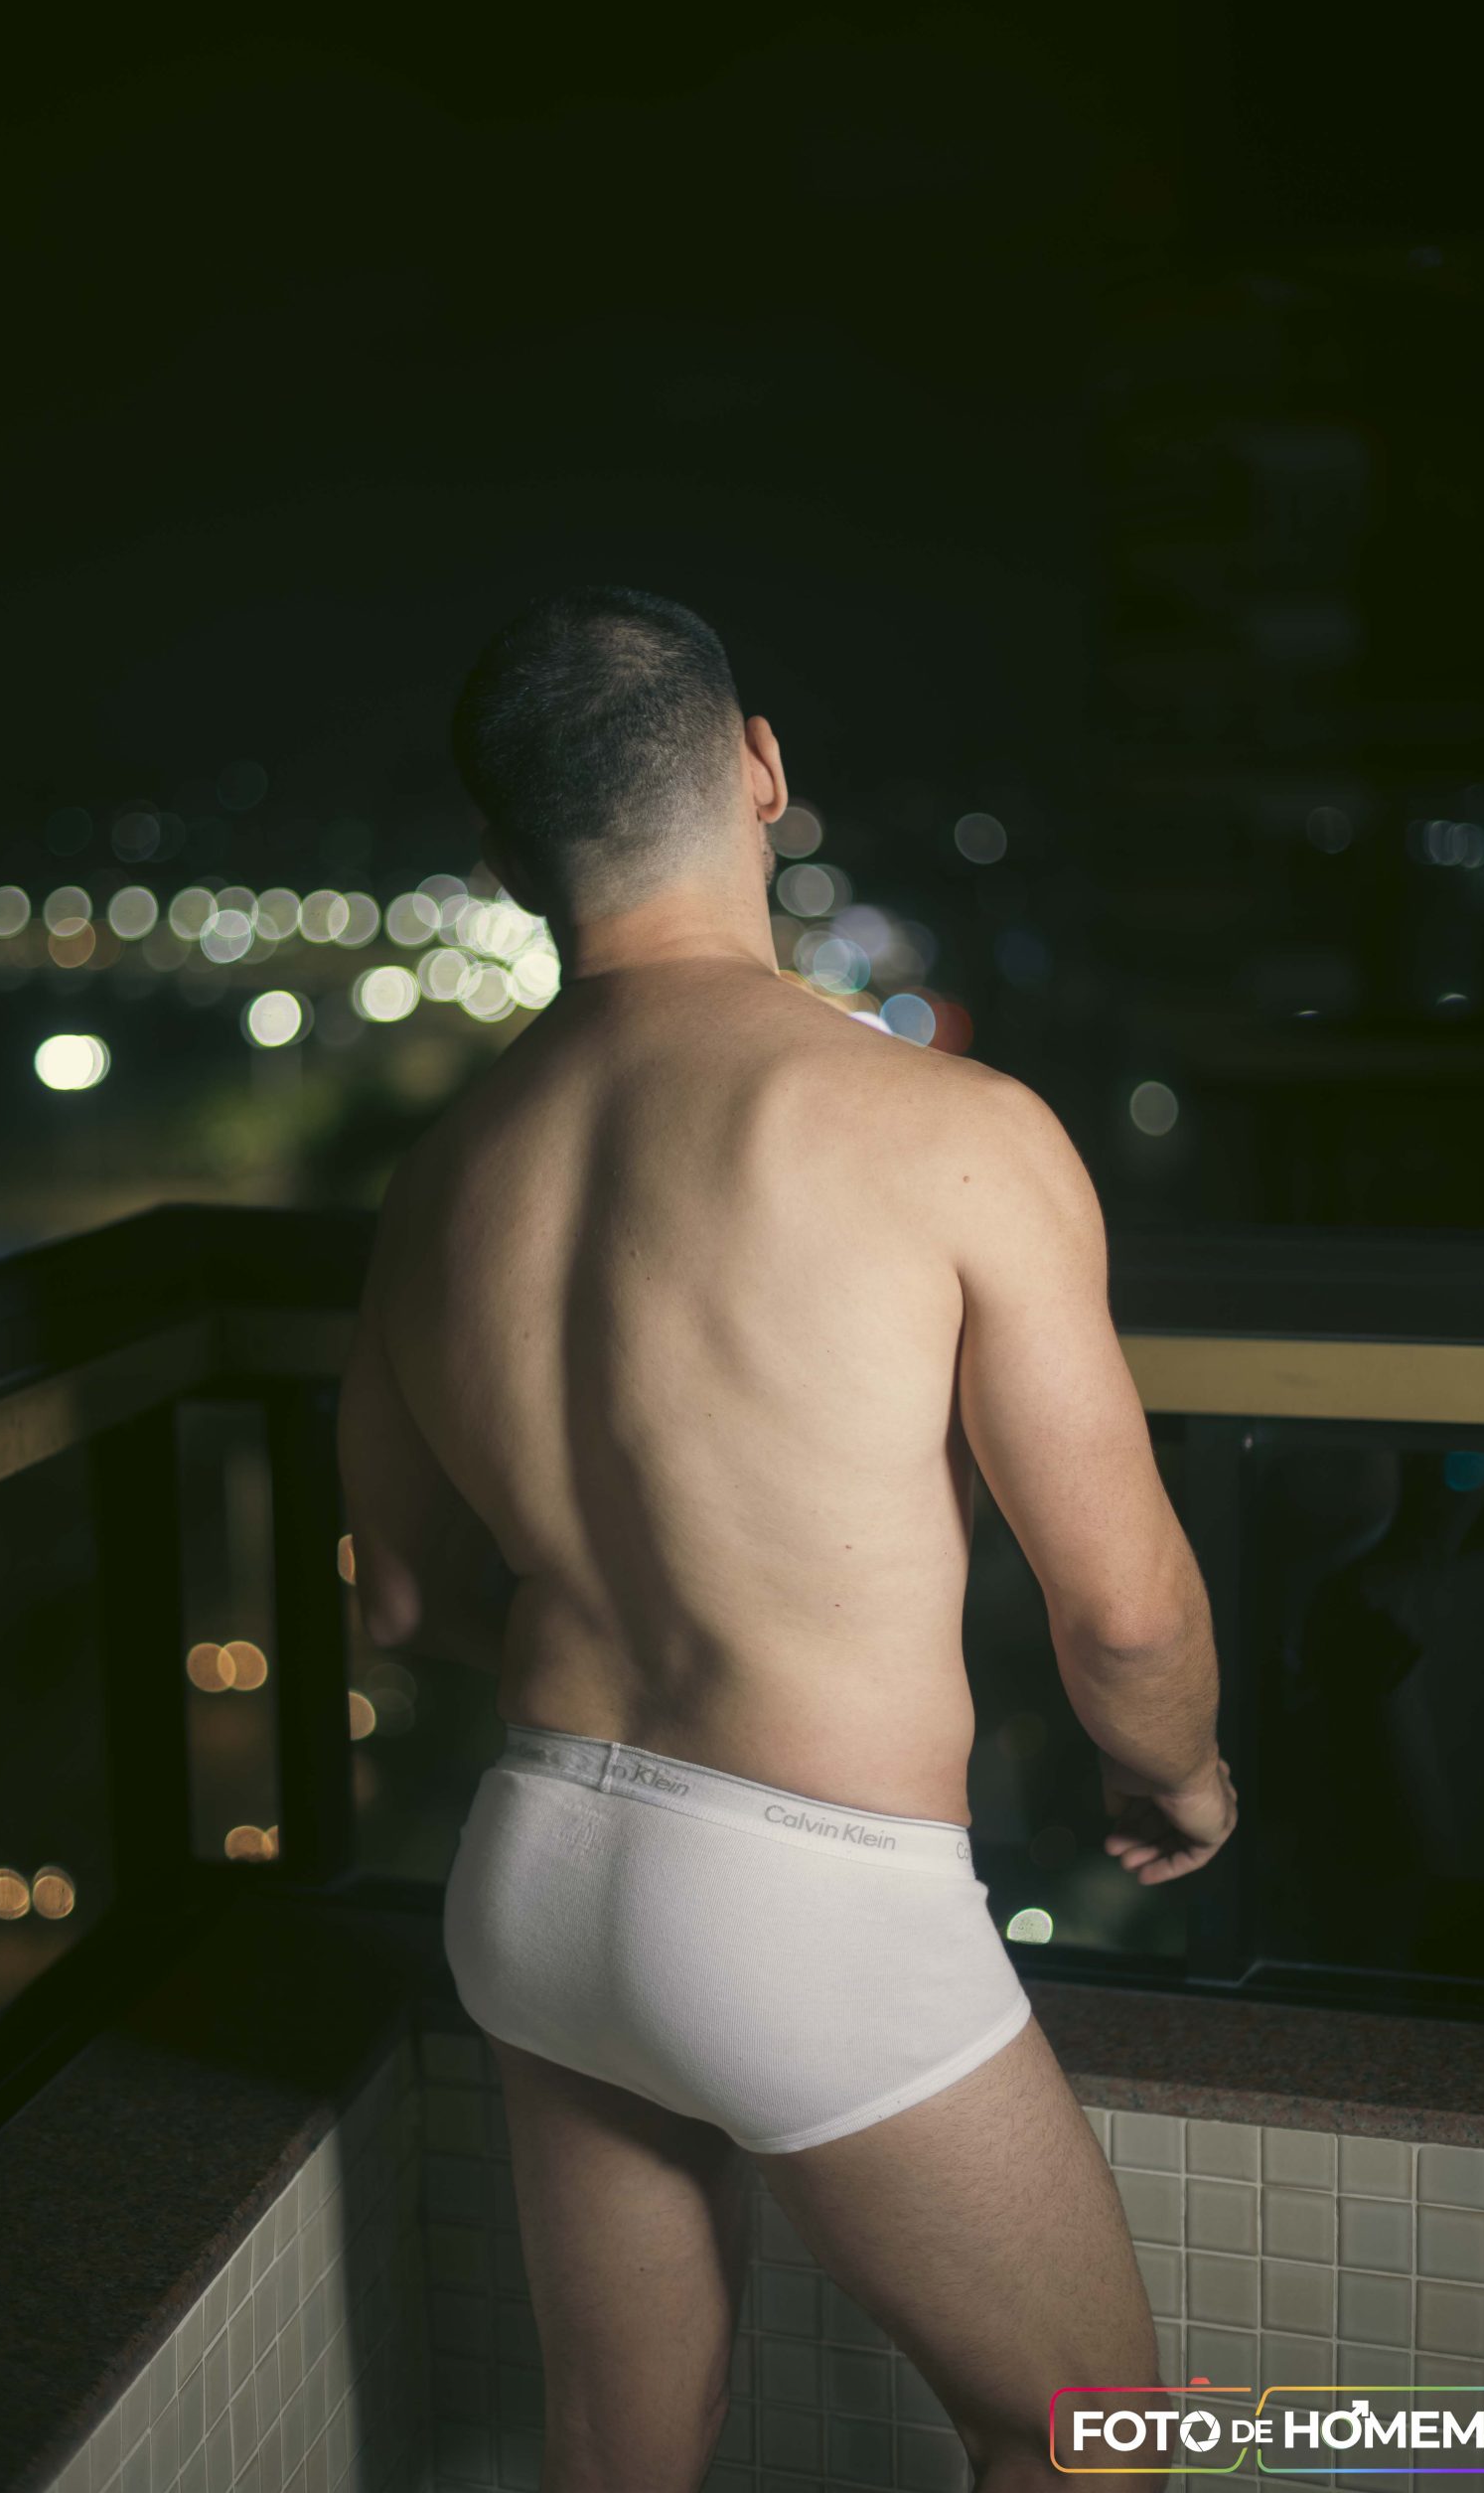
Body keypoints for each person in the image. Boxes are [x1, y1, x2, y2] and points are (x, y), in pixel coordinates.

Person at [338, 585, 1237, 2493]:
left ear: (504, 861)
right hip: (803, 1896)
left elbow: (400, 1601)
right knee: (1091, 2443)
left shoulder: (436, 1181)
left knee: (620, 2451)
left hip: (532, 1867)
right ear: (759, 772)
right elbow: (1121, 1615)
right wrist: (1181, 1772)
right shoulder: (948, 1129)